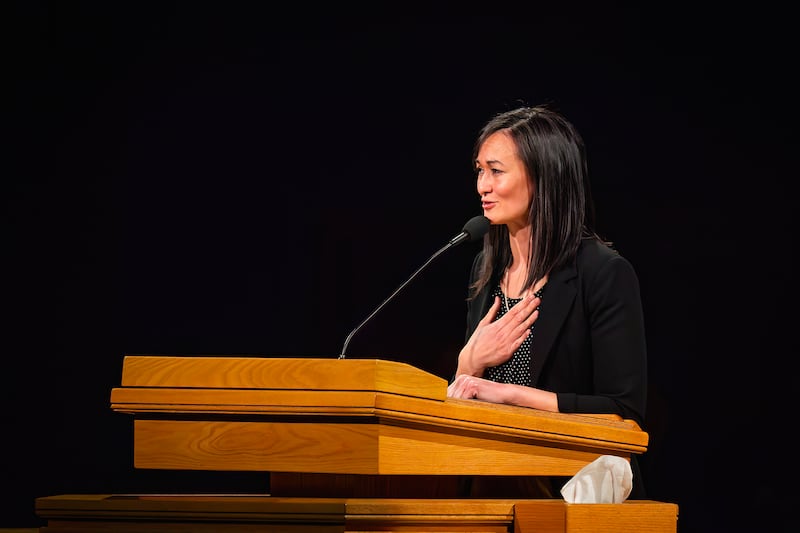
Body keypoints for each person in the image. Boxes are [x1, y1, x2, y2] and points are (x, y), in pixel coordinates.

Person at [447, 104, 648, 499]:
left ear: (542, 176)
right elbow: (466, 392)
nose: (481, 186)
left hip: (572, 492)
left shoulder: (603, 273)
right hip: (491, 489)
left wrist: (510, 396)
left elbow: (623, 413)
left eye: (496, 170)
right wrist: (468, 364)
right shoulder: (485, 270)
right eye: (479, 170)